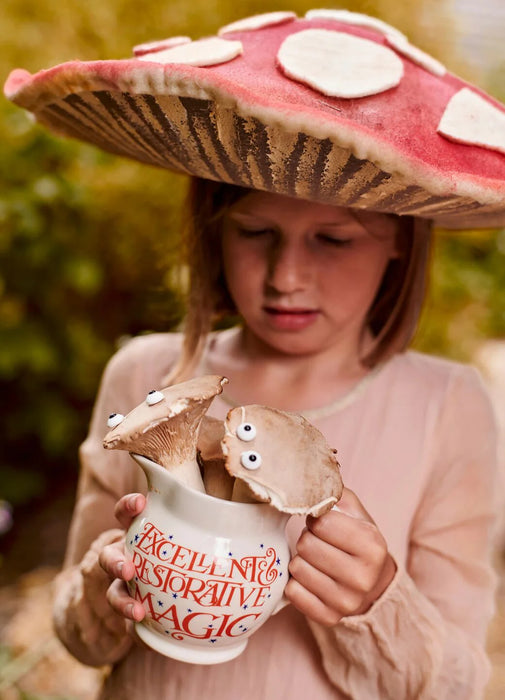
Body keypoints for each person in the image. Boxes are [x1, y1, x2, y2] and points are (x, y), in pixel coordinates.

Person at [6, 9, 505, 699]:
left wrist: (375, 604)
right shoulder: (147, 376)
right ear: (211, 228)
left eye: (333, 240)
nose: (284, 277)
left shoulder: (447, 408)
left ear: (399, 238)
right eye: (254, 231)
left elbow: (460, 683)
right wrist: (100, 583)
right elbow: (80, 639)